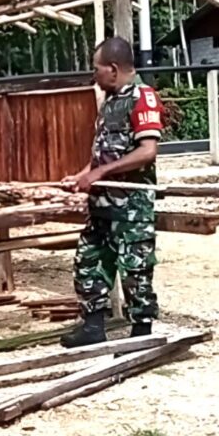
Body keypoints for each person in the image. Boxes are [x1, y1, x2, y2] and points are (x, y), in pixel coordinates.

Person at [60, 37, 163, 348]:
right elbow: (103, 153)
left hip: (130, 207)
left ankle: (141, 333)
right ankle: (93, 326)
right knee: (87, 261)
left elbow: (147, 151)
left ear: (114, 69)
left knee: (135, 270)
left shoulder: (142, 98)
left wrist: (99, 173)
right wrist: (82, 175)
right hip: (102, 205)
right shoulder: (110, 102)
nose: (95, 75)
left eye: (97, 69)